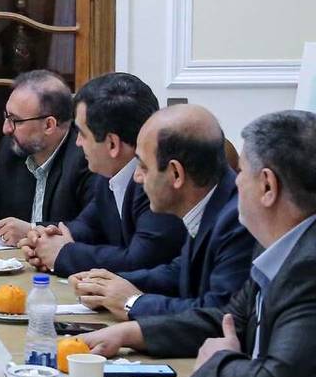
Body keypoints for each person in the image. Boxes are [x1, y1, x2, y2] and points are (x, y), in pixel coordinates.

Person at [80, 110, 316, 377]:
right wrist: (131, 333)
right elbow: (225, 319)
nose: (235, 182)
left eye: (242, 173)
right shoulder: (276, 249)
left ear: (267, 186)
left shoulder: (307, 267)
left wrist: (217, 363)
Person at [70, 104, 253, 320]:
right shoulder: (213, 201)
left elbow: (219, 313)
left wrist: (132, 302)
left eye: (144, 167)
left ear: (176, 174)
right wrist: (108, 284)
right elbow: (181, 272)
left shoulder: (239, 220)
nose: (137, 177)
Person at [23, 72, 187, 276]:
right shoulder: (108, 174)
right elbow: (88, 226)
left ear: (112, 144)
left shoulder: (158, 182)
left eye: (82, 134)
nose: (78, 143)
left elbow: (141, 261)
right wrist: (45, 239)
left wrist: (63, 254)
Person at [0, 70, 94, 246]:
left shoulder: (86, 158)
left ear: (49, 125)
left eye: (16, 120)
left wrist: (32, 230)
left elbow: (91, 229)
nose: (6, 129)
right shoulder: (12, 149)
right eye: (6, 117)